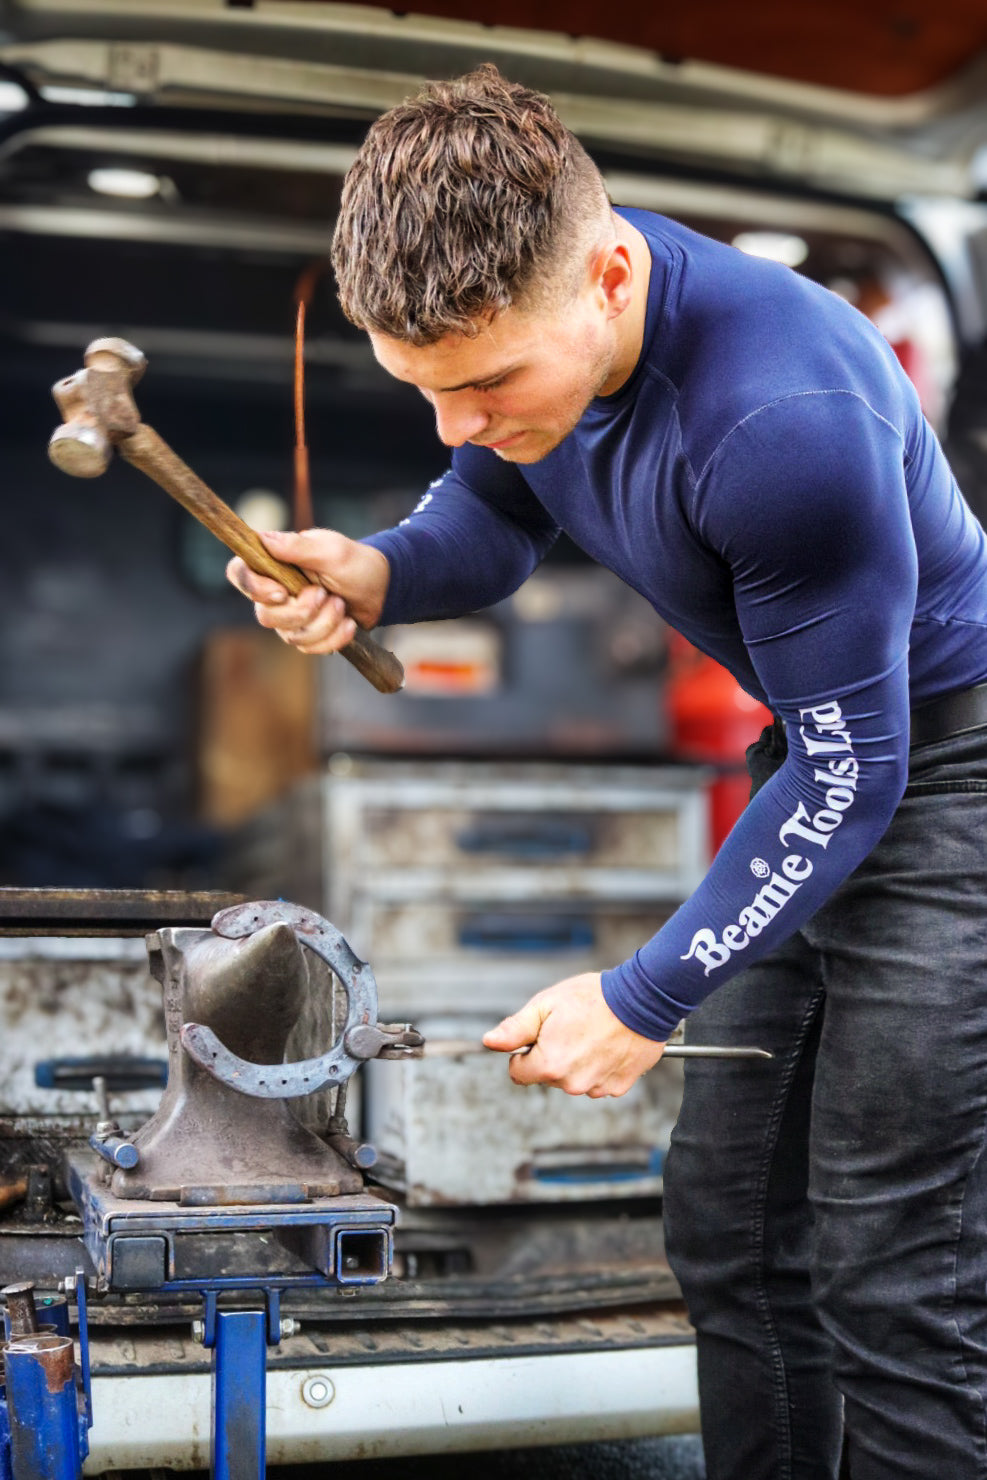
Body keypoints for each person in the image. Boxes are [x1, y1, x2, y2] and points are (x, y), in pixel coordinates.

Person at [226, 65, 987, 1480]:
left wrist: (644, 997)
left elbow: (858, 772)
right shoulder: (537, 350)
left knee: (899, 1263)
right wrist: (384, 571)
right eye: (427, 391)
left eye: (485, 385)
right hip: (823, 756)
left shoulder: (782, 421)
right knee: (733, 1226)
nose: (458, 421)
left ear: (612, 272)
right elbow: (496, 510)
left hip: (951, 778)